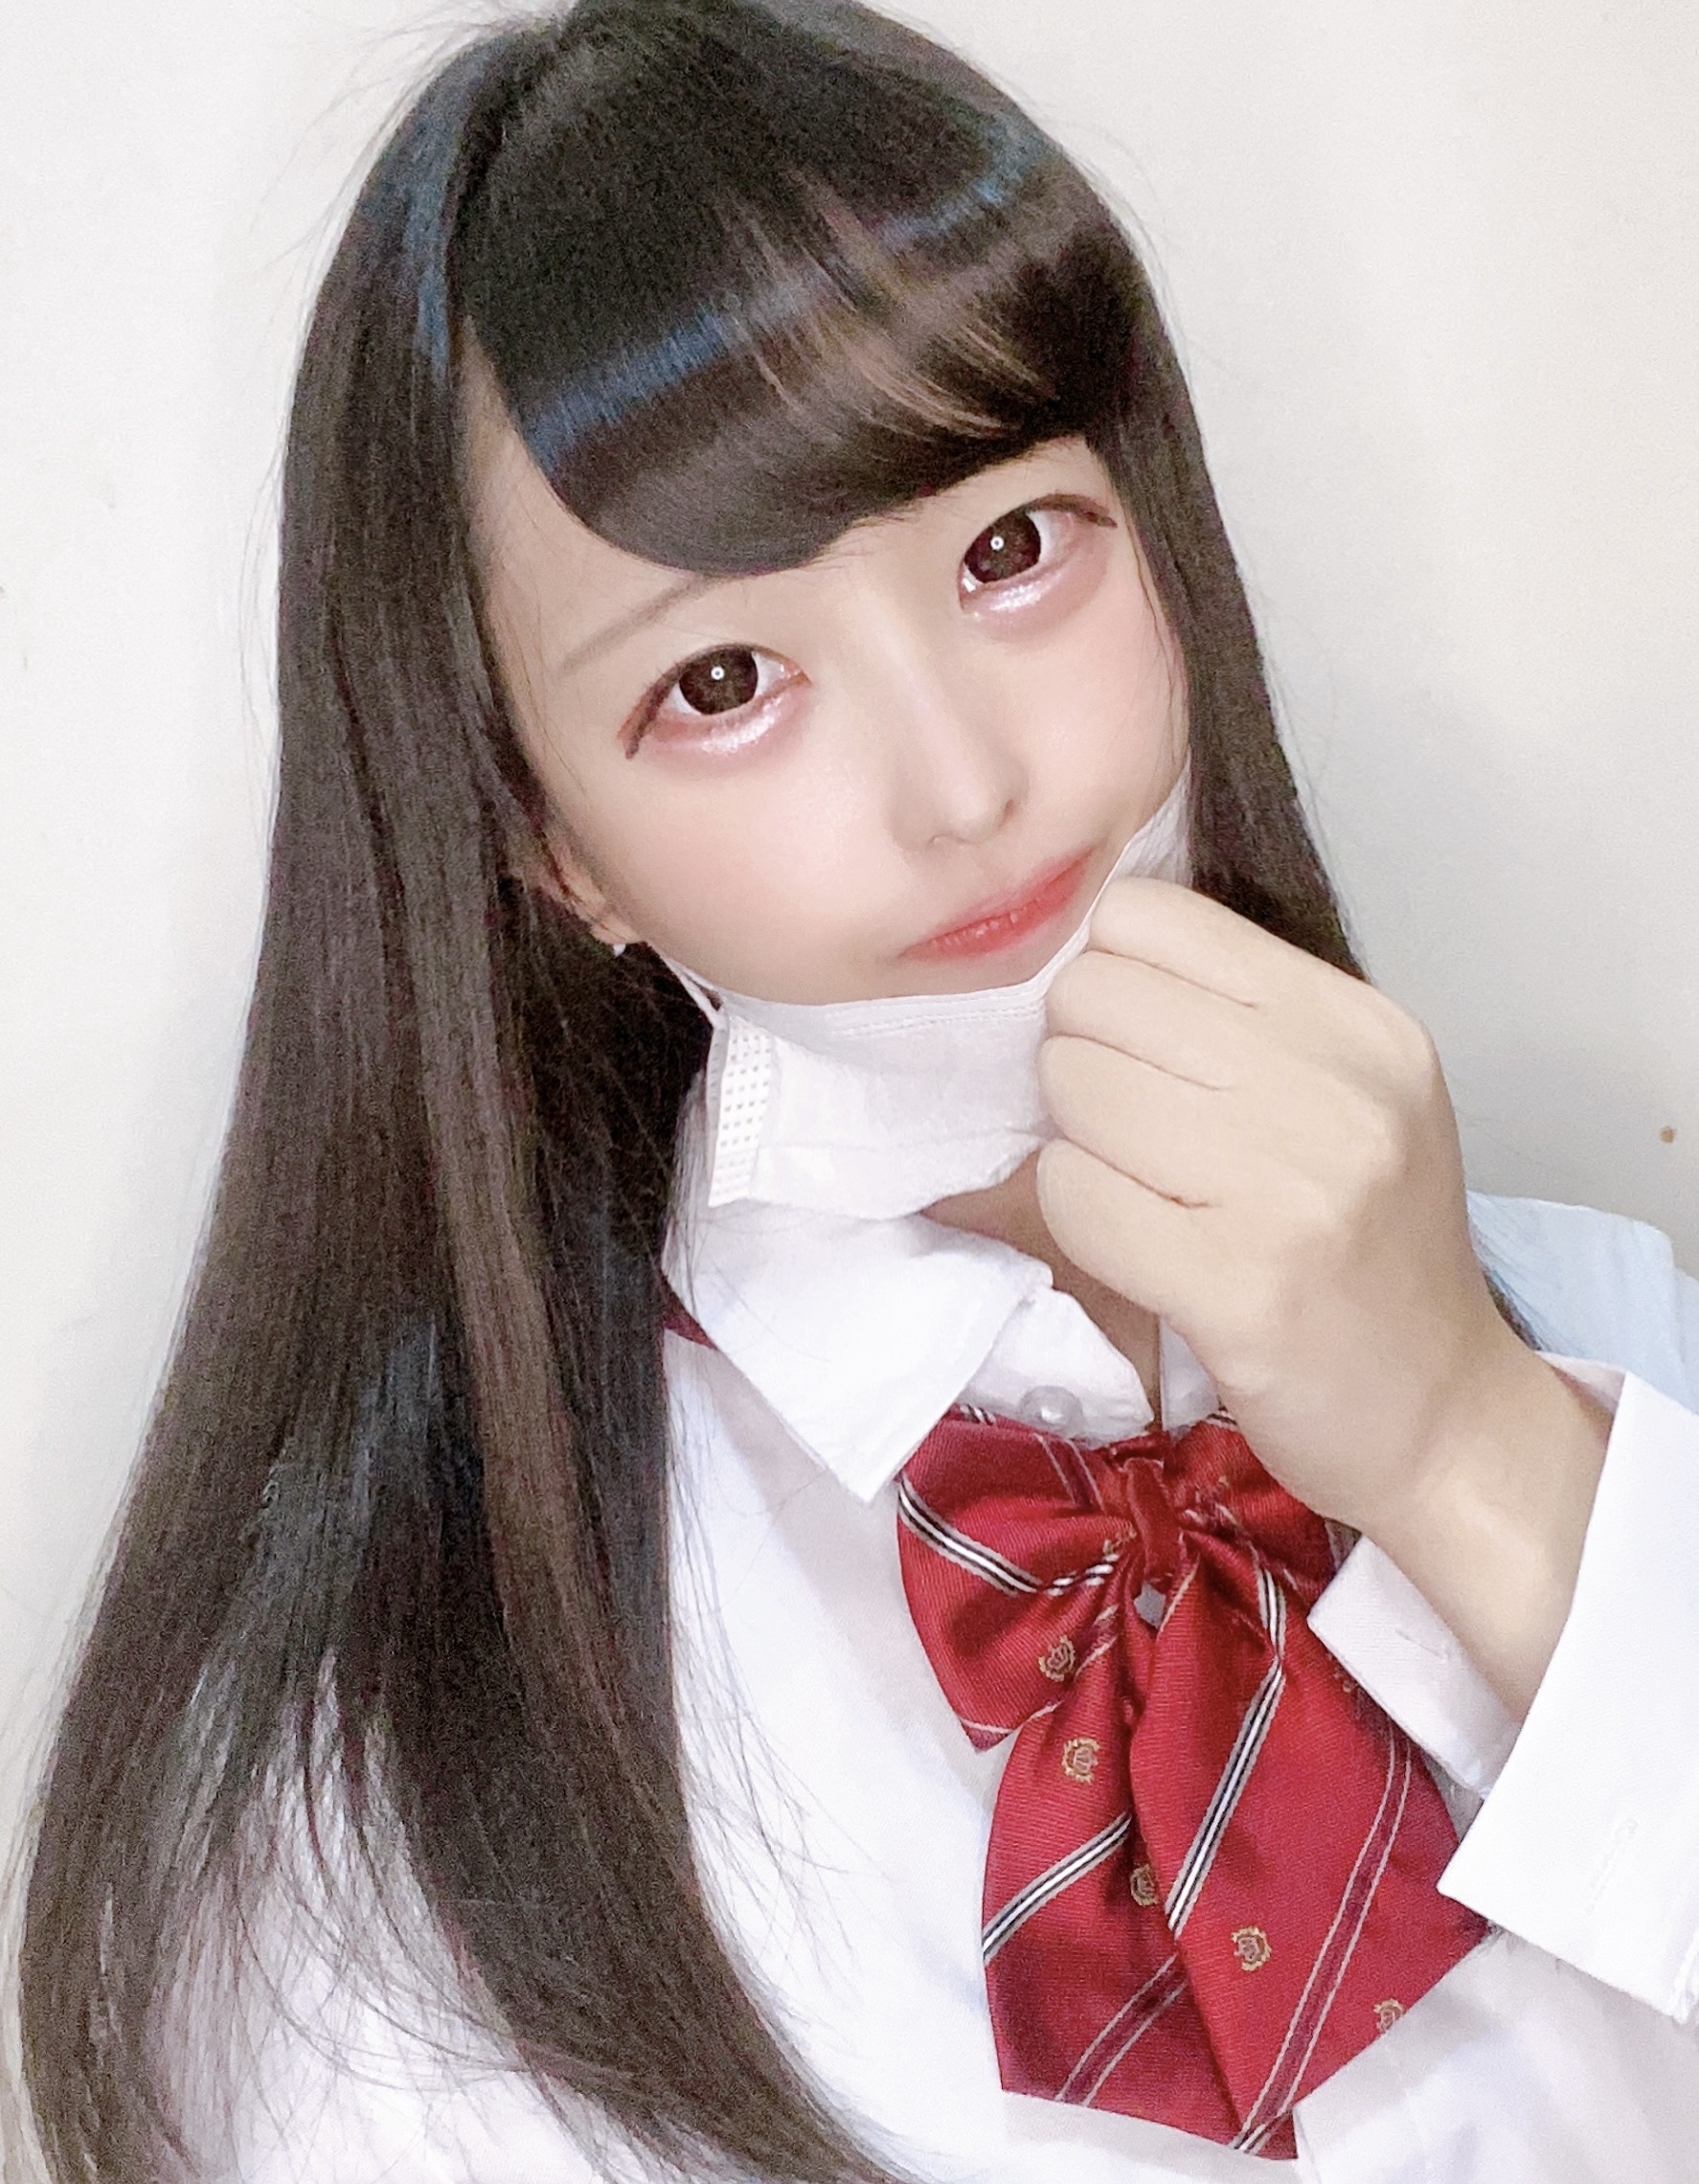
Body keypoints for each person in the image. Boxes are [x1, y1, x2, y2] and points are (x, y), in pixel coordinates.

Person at [15, 0, 1699, 2177]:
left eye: (1011, 550)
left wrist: (1474, 1452)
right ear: (540, 839)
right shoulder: (389, 1809)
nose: (964, 783)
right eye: (723, 680)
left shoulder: (1607, 1333)